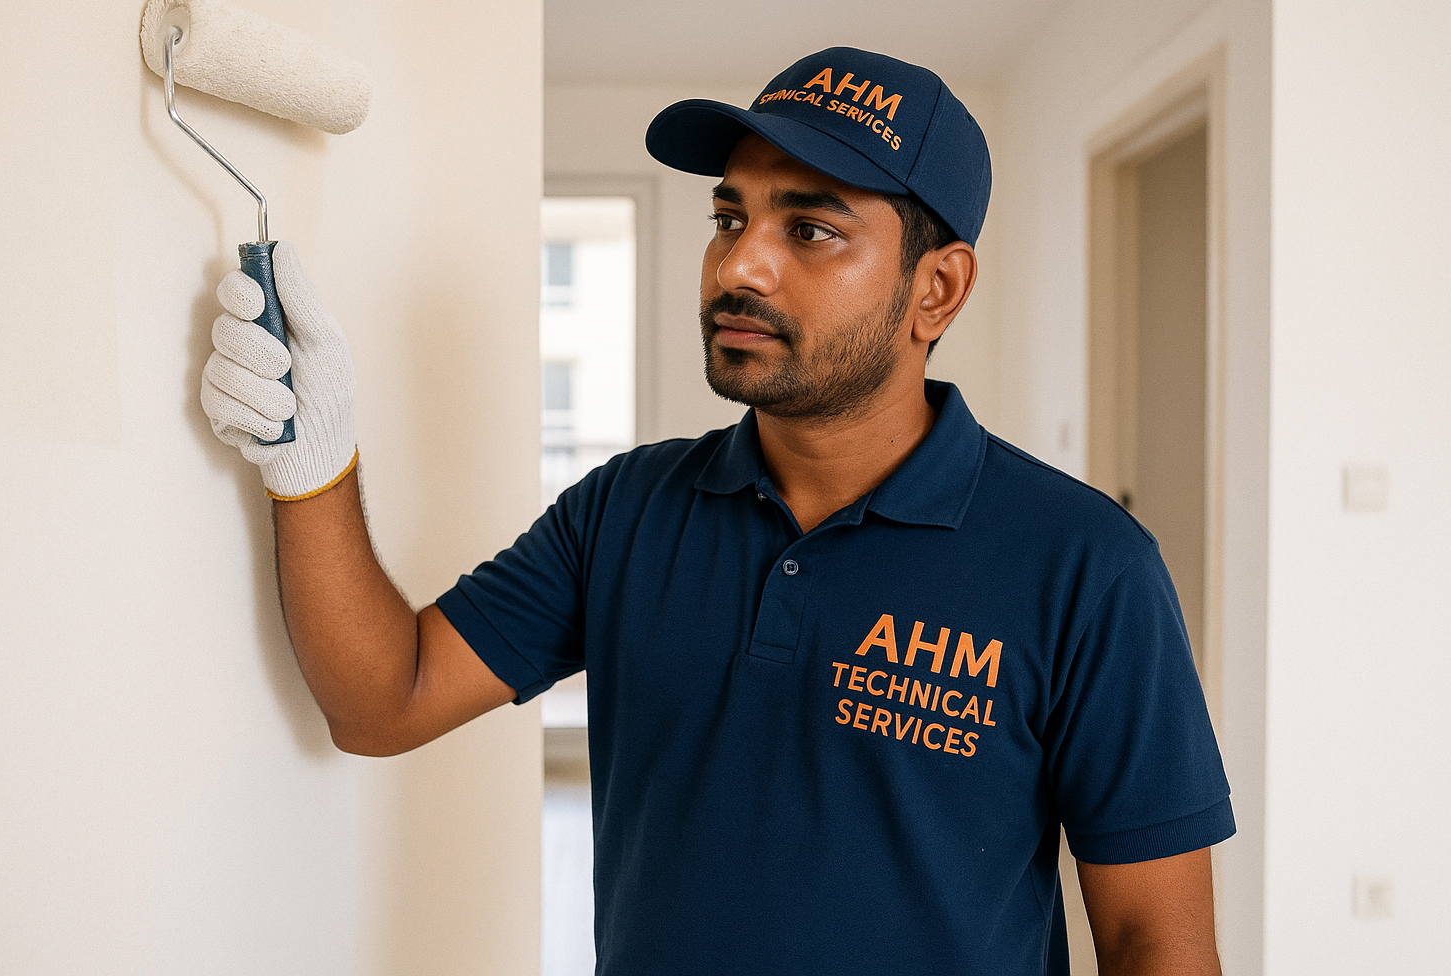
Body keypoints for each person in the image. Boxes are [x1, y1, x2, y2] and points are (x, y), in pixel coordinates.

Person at [199, 47, 1234, 975]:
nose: (740, 265)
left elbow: (1157, 943)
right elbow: (385, 702)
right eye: (730, 218)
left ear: (938, 290)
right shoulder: (625, 511)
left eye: (811, 229)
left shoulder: (1087, 566)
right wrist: (313, 464)